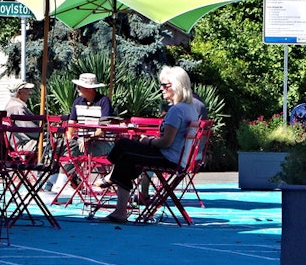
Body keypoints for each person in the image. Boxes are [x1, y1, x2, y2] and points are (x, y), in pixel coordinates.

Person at [97, 66, 199, 223]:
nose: (161, 88)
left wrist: (147, 141)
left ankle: (111, 177)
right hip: (178, 158)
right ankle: (120, 211)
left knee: (124, 144)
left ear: (176, 85)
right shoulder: (190, 109)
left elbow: (166, 142)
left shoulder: (176, 110)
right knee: (125, 161)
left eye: (165, 85)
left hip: (167, 158)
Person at [42, 72, 113, 192]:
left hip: (102, 142)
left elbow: (102, 129)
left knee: (72, 151)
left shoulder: (104, 101)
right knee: (64, 147)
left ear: (89, 89)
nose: (77, 89)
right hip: (81, 141)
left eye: (80, 87)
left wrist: (88, 138)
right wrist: (70, 139)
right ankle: (55, 182)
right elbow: (71, 125)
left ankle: (57, 184)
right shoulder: (77, 102)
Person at [4, 82, 37, 154]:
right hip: (26, 144)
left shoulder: (11, 105)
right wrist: (46, 132)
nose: (29, 91)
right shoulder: (18, 107)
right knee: (63, 144)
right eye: (27, 89)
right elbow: (32, 130)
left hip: (22, 143)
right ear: (19, 92)